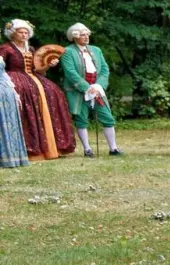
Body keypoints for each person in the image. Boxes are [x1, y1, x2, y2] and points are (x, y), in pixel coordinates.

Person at [2, 19, 75, 159]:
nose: (24, 35)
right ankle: (28, 147)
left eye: (26, 32)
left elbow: (38, 70)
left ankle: (53, 146)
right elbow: (1, 68)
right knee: (25, 92)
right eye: (20, 32)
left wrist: (49, 64)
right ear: (13, 34)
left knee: (54, 91)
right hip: (13, 77)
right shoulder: (6, 48)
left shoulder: (31, 49)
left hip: (34, 77)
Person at [58, 23, 121, 156]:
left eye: (87, 34)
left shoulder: (96, 50)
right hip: (78, 90)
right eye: (82, 35)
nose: (86, 37)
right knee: (81, 120)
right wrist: (86, 87)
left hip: (97, 89)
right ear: (74, 37)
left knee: (107, 117)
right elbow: (70, 72)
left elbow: (104, 69)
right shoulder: (68, 51)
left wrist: (98, 86)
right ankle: (87, 149)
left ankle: (113, 148)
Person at [0, 64, 26, 168]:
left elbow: (4, 75)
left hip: (6, 93)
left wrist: (15, 94)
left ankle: (12, 158)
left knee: (9, 126)